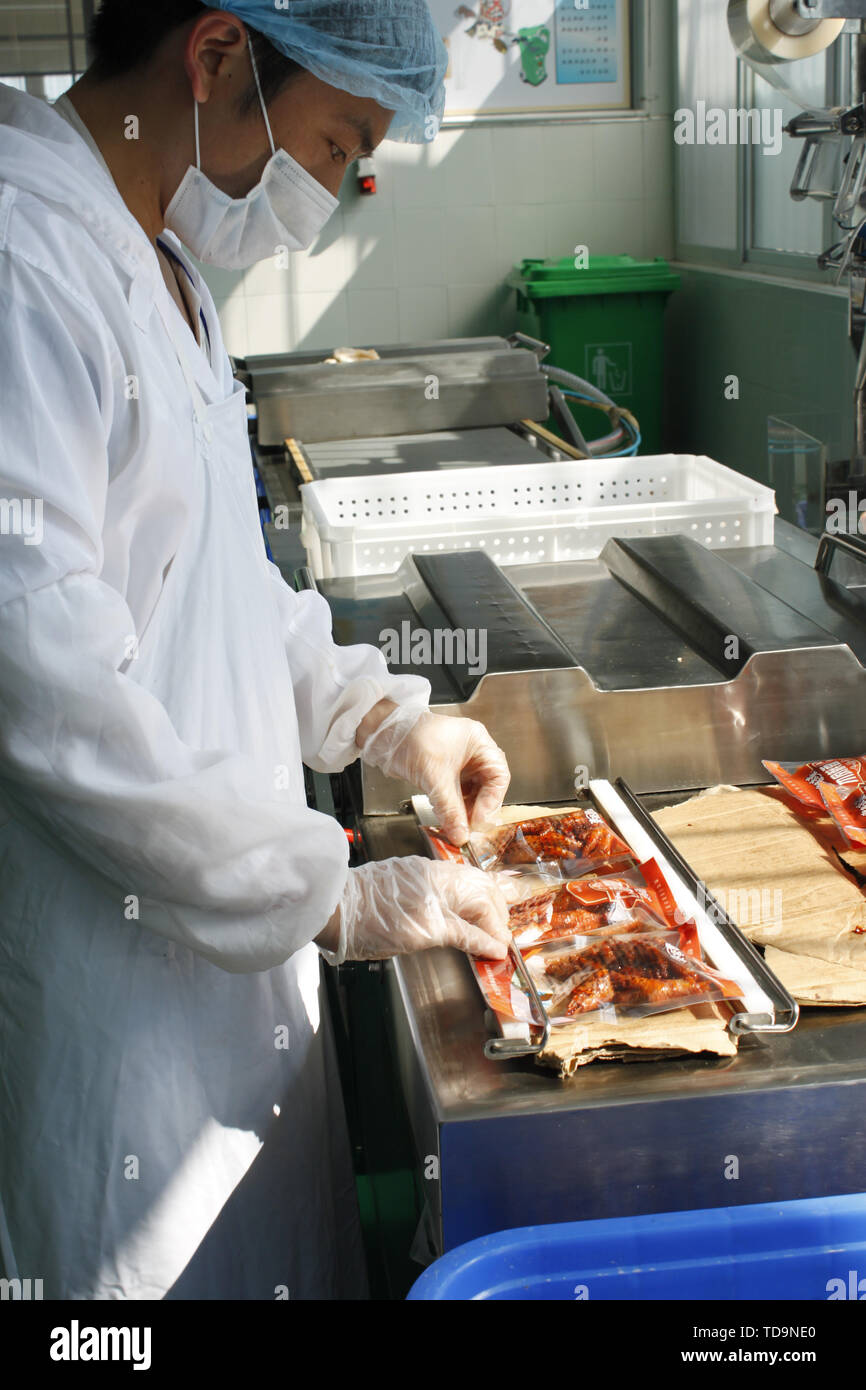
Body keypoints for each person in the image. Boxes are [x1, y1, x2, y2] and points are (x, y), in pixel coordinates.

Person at [0, 0, 512, 1301]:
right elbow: (45, 684)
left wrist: (386, 719)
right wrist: (322, 890)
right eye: (337, 146)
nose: (334, 193)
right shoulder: (26, 259)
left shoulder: (159, 264)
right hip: (112, 1023)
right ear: (219, 51)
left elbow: (225, 588)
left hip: (227, 989)